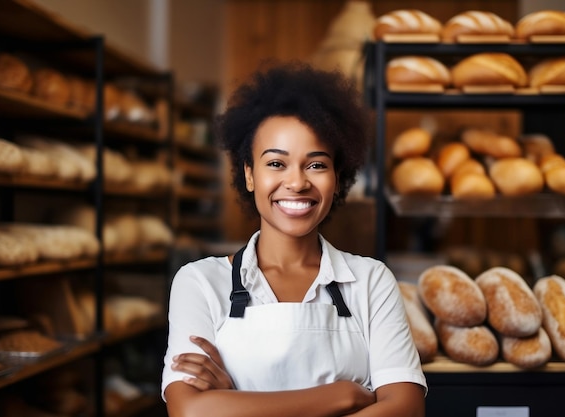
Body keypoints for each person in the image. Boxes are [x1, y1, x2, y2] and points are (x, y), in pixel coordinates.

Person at [162, 60, 427, 417]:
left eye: (316, 164)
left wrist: (236, 401)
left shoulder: (371, 280)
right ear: (249, 174)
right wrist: (340, 396)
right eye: (275, 163)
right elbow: (190, 412)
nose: (298, 182)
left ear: (338, 177)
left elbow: (405, 410)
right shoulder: (199, 282)